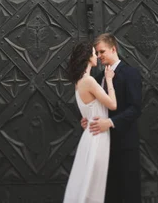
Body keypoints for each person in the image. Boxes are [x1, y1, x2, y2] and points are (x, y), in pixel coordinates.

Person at [87, 33, 142, 203]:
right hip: (103, 146)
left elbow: (135, 108)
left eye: (102, 51)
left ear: (113, 49)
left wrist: (110, 123)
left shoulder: (130, 73)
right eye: (97, 53)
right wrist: (88, 120)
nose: (99, 56)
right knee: (109, 194)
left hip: (125, 145)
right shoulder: (98, 79)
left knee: (128, 193)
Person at [63, 41, 117, 203]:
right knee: (93, 186)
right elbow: (112, 105)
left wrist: (85, 119)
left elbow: (88, 111)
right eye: (94, 53)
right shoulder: (89, 81)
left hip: (90, 135)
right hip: (97, 137)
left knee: (86, 182)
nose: (97, 57)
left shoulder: (78, 82)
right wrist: (109, 80)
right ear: (87, 58)